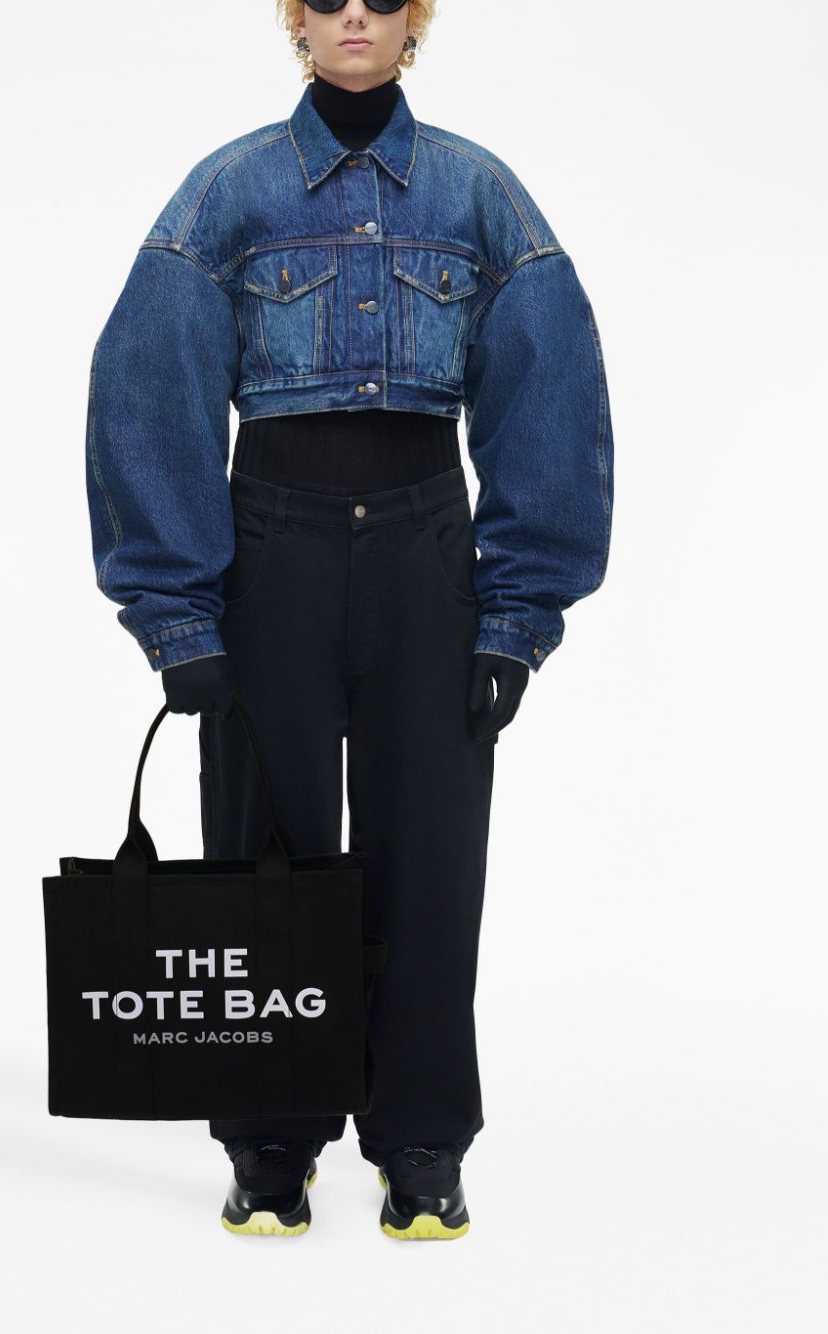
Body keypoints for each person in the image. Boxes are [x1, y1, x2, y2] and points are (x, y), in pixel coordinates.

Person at [84, 0, 614, 1240]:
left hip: (428, 561)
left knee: (430, 852)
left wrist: (515, 616)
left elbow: (551, 391)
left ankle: (421, 1138)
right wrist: (178, 617)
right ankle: (270, 1138)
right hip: (271, 554)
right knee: (262, 850)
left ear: (415, 18)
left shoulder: (481, 195)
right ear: (297, 20)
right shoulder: (228, 193)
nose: (355, 14)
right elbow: (147, 386)